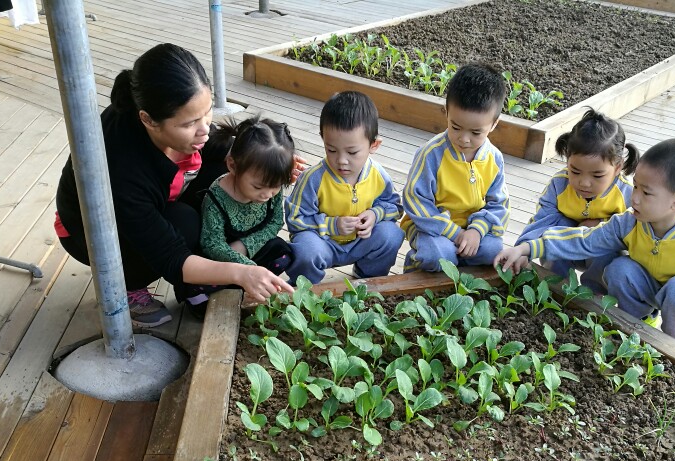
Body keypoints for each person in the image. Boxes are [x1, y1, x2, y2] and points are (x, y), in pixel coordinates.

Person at [55, 43, 292, 329]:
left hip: (155, 195)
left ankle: (211, 261)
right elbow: (170, 256)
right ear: (148, 120)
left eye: (207, 112)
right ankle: (129, 286)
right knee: (185, 225)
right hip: (90, 233)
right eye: (190, 123)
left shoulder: (167, 114)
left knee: (233, 172)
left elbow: (218, 146)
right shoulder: (122, 168)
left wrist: (266, 164)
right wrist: (240, 273)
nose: (204, 128)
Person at [494, 139, 675, 350]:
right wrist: (528, 248)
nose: (636, 198)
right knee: (620, 268)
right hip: (646, 284)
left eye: (646, 192)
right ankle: (637, 328)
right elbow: (584, 239)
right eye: (636, 187)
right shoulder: (630, 221)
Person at [285, 91, 403, 285]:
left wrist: (375, 215)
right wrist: (333, 225)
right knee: (304, 250)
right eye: (331, 150)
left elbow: (394, 206)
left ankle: (368, 279)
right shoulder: (313, 179)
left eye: (352, 152)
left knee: (391, 234)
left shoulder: (377, 175)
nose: (341, 160)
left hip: (361, 243)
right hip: (323, 244)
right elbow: (295, 219)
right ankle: (304, 287)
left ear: (374, 145)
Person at [401, 63, 510, 272]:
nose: (464, 139)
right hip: (430, 227)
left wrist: (477, 230)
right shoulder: (431, 154)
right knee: (438, 254)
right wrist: (455, 233)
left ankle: (458, 271)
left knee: (492, 249)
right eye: (456, 127)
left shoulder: (494, 158)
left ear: (494, 123)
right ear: (447, 112)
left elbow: (499, 204)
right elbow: (415, 200)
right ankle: (415, 267)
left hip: (471, 229)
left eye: (476, 132)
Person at [518, 108, 638, 293]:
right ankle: (555, 287)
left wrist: (600, 225)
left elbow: (633, 234)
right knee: (554, 228)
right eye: (575, 171)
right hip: (562, 249)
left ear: (617, 168)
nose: (584, 182)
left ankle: (593, 297)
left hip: (599, 255)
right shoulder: (559, 184)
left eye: (597, 175)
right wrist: (523, 249)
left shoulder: (627, 193)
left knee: (608, 246)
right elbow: (542, 220)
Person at [189, 116, 295, 314]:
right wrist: (247, 268)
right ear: (233, 166)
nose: (267, 194)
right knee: (197, 295)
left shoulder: (271, 184)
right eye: (258, 187)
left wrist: (245, 246)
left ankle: (246, 289)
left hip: (250, 252)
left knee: (283, 252)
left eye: (276, 187)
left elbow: (275, 222)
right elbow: (211, 244)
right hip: (221, 260)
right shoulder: (217, 197)